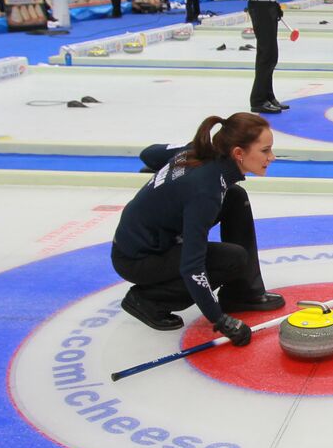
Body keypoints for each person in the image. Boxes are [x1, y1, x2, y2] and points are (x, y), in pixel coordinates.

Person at [111, 114, 284, 334]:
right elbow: (192, 266)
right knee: (233, 258)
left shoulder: (199, 149)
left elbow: (149, 153)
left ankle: (241, 292)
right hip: (138, 259)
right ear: (238, 153)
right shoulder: (205, 191)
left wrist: (166, 181)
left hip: (143, 240)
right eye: (265, 150)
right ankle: (148, 300)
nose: (272, 157)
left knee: (235, 196)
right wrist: (220, 320)